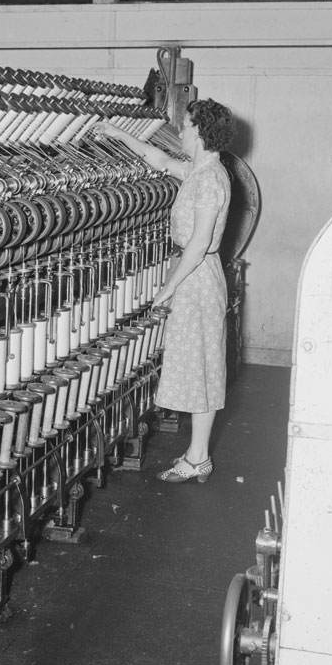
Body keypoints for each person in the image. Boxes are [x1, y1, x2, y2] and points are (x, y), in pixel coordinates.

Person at [93, 98, 235, 484]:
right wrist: (117, 133)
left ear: (201, 132)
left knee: (201, 365)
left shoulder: (209, 179)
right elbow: (158, 160)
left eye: (186, 126)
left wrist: (169, 287)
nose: (182, 131)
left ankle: (199, 458)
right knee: (197, 364)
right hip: (195, 274)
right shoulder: (200, 170)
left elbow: (200, 241)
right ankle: (197, 454)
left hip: (197, 278)